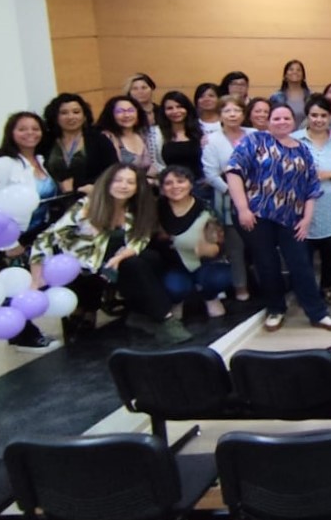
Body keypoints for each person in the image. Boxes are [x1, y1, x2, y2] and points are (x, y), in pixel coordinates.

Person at [31, 164, 190, 344]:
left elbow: (141, 240)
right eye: (118, 180)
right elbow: (44, 238)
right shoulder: (87, 206)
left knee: (148, 258)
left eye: (130, 182)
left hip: (118, 261)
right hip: (87, 265)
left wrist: (120, 257)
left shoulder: (137, 209)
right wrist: (36, 278)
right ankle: (165, 318)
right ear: (107, 182)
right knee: (135, 265)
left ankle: (143, 314)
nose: (124, 186)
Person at [225, 104, 331, 333]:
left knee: (300, 264)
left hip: (292, 218)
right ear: (268, 121)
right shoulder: (255, 141)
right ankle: (275, 310)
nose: (281, 122)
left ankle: (318, 314)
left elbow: (311, 188)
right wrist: (243, 209)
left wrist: (307, 218)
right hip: (256, 216)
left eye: (286, 118)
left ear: (293, 121)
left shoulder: (302, 150)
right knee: (266, 264)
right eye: (276, 118)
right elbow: (234, 172)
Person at [0, 111, 61, 350]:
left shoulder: (40, 160)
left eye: (35, 128)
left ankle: (21, 331)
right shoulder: (1, 164)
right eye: (23, 129)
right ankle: (22, 336)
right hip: (7, 236)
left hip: (34, 233)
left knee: (28, 284)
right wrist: (8, 244)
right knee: (14, 286)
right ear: (11, 133)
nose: (30, 133)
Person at [293, 97, 331, 305]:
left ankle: (327, 287)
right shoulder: (294, 140)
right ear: (307, 117)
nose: (319, 120)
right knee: (303, 256)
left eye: (323, 115)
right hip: (300, 209)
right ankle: (307, 293)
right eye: (314, 115)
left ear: (330, 117)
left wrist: (330, 174)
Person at [155, 166, 231, 319]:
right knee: (174, 287)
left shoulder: (205, 207)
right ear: (162, 188)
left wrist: (212, 249)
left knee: (220, 277)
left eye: (180, 181)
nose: (175, 186)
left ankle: (210, 296)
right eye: (168, 183)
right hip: (173, 265)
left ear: (190, 184)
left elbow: (219, 242)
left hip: (205, 263)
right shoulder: (156, 209)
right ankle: (178, 300)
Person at [202, 95, 255, 300]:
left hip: (257, 197)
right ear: (220, 115)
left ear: (244, 114)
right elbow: (211, 174)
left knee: (261, 244)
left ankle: (263, 282)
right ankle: (240, 286)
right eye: (227, 111)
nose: (232, 115)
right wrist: (234, 192)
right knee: (235, 247)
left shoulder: (255, 135)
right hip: (227, 199)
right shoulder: (212, 140)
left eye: (237, 110)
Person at [40, 93, 114, 203]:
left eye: (76, 112)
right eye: (64, 113)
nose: (71, 117)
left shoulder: (98, 139)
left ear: (84, 116)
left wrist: (79, 185)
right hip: (54, 203)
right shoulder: (46, 141)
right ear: (55, 117)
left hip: (92, 200)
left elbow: (113, 170)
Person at [96, 95, 162, 180]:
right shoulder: (107, 138)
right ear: (111, 114)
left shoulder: (145, 134)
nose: (126, 115)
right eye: (120, 111)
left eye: (131, 110)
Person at [155, 91, 205, 198]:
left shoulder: (200, 131)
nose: (175, 111)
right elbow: (156, 163)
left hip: (199, 187)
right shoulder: (156, 133)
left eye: (179, 107)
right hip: (170, 188)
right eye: (170, 108)